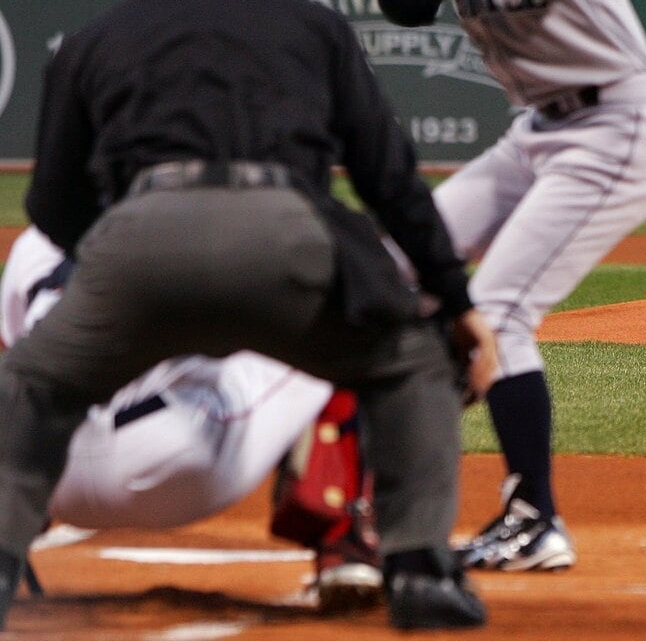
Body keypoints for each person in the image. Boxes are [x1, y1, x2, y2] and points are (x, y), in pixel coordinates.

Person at [0, 0, 498, 632]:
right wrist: (456, 306)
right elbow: (389, 181)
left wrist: (128, 267)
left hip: (138, 241)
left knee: (31, 383)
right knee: (409, 363)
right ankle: (416, 568)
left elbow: (55, 211)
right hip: (287, 237)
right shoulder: (313, 24)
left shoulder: (93, 40)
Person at [380, 0, 646, 574]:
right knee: (396, 265)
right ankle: (406, 462)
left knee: (499, 310)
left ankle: (536, 518)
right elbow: (404, 4)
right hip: (534, 132)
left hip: (615, 124)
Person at [0, 225, 385, 612]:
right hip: (178, 458)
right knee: (344, 320)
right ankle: (346, 543)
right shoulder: (215, 223)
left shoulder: (38, 241)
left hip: (50, 476)